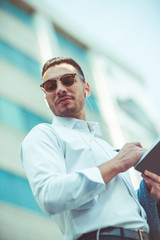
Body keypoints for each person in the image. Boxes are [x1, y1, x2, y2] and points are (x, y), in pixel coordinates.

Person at [20, 57, 160, 240]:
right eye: (50, 86)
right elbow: (49, 195)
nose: (60, 89)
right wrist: (118, 163)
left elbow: (124, 211)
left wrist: (154, 196)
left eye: (68, 80)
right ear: (46, 98)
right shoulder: (44, 134)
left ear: (86, 89)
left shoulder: (107, 148)